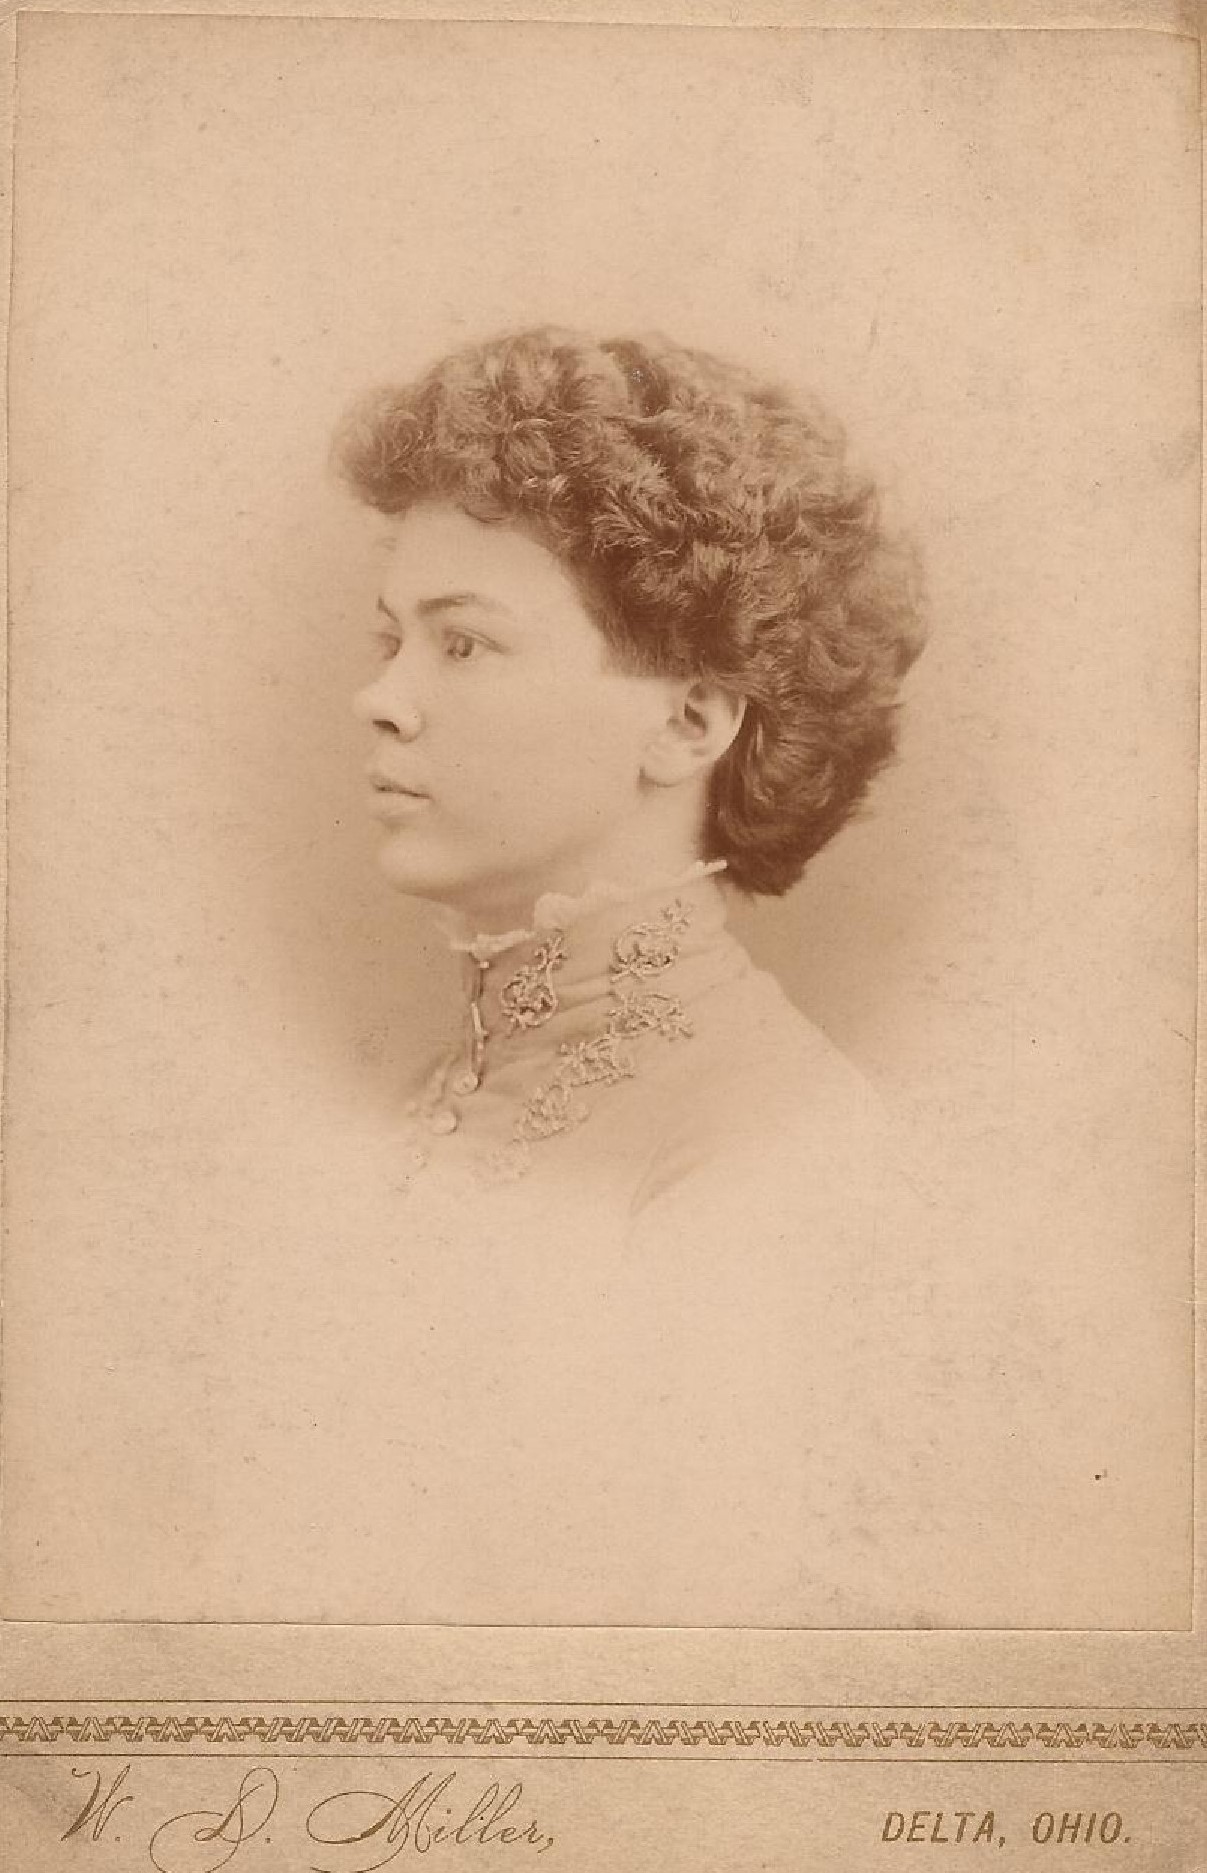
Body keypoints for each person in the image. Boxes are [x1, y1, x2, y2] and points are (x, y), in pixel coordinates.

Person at [327, 327, 940, 1623]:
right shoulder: (427, 1091)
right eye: (390, 639)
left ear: (689, 720)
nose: (380, 698)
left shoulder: (775, 1151)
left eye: (463, 644)